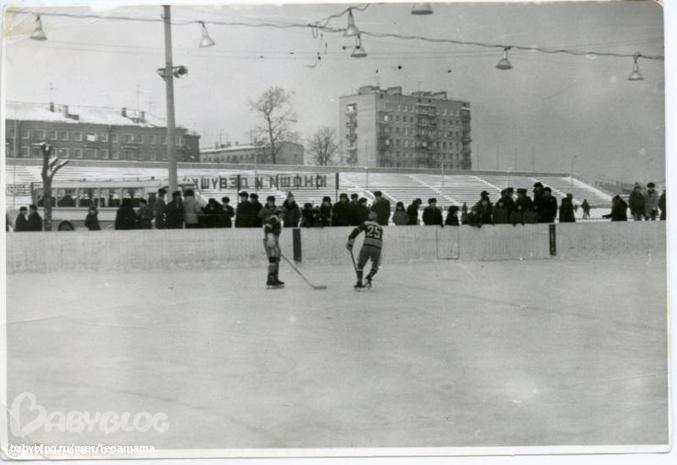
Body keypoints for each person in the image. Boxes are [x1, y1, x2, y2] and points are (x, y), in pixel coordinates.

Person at [346, 211, 383, 290]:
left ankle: (359, 282)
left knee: (360, 265)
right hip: (377, 247)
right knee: (376, 266)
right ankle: (369, 277)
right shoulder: (380, 227)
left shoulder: (366, 223)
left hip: (367, 246)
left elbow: (356, 231)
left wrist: (350, 242)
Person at [263, 208, 285, 289]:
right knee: (272, 259)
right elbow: (267, 228)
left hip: (275, 241)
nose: (284, 215)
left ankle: (275, 278)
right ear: (279, 213)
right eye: (282, 213)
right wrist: (270, 237)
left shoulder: (278, 220)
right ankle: (270, 279)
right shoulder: (274, 218)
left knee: (277, 259)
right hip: (269, 241)